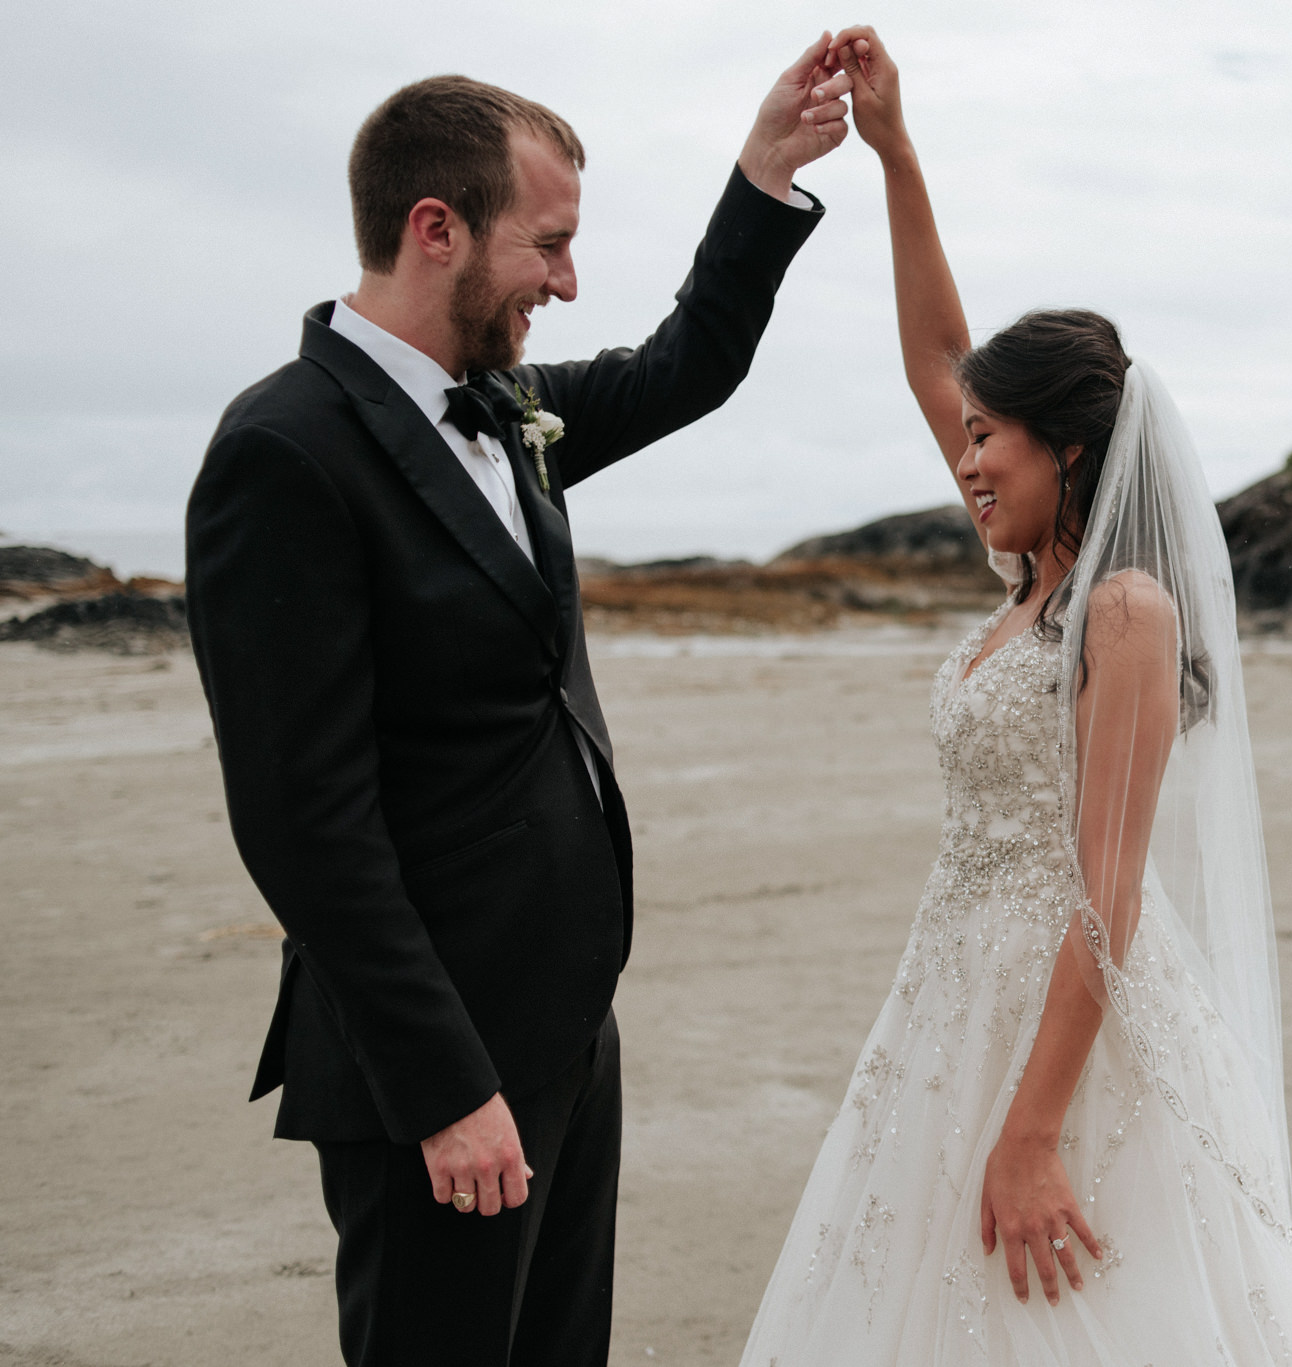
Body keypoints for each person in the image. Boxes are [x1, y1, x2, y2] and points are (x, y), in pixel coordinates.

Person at [184, 38, 852, 1367]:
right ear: (438, 229)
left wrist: (765, 173)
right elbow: (303, 822)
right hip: (433, 1065)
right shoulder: (285, 454)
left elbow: (688, 364)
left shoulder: (510, 409)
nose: (567, 278)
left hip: (561, 1020)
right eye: (546, 245)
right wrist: (445, 1091)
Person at [736, 28, 1292, 1365]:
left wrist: (1030, 1133)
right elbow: (940, 349)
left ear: (1067, 445)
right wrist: (899, 152)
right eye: (965, 435)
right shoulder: (1025, 583)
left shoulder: (1125, 611)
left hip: (1064, 1023)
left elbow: (1110, 893)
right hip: (949, 989)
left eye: (986, 436)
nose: (964, 457)